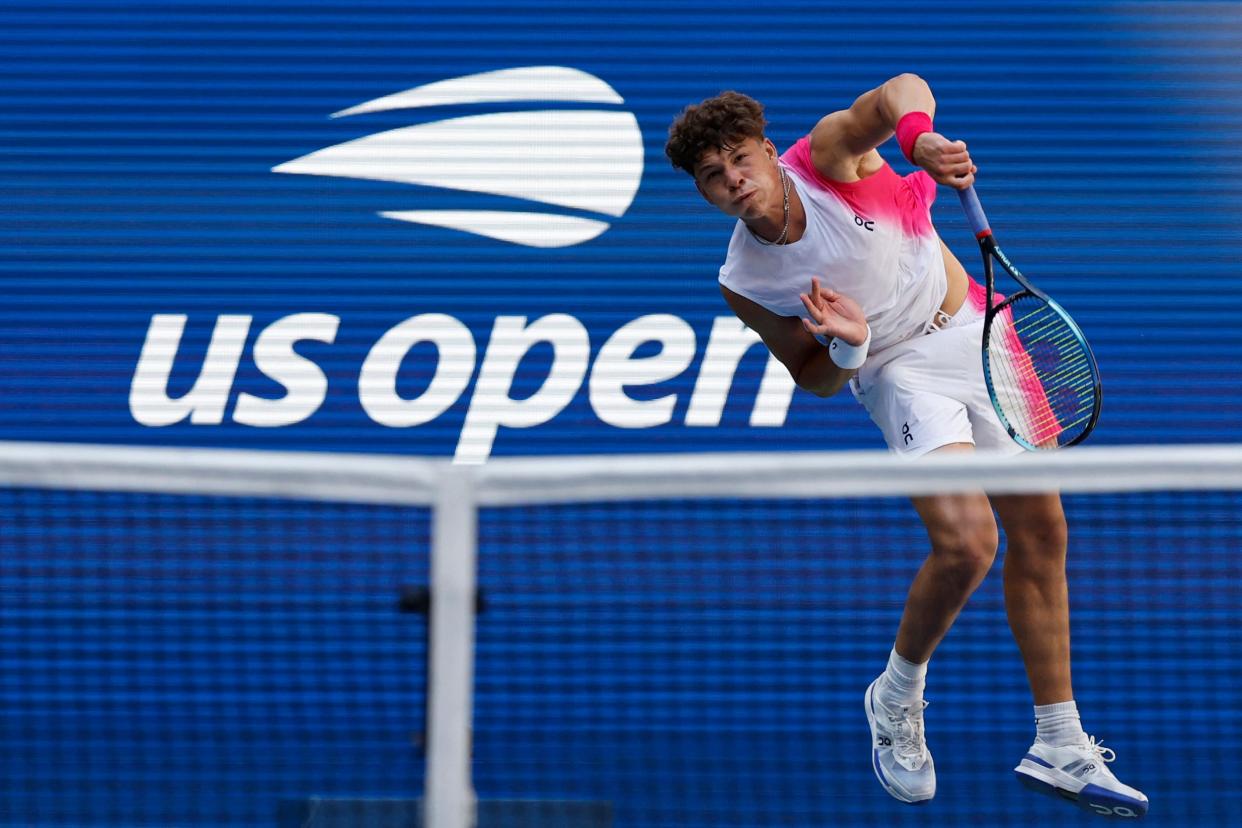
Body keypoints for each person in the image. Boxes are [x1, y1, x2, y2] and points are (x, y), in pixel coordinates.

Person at [664, 74, 1148, 818]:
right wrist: (852, 349)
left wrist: (917, 137)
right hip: (893, 369)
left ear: (767, 151)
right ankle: (895, 696)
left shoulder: (826, 157)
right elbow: (814, 377)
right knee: (966, 544)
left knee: (1043, 531)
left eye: (739, 159)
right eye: (711, 176)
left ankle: (1060, 741)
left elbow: (897, 91)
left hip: (976, 330)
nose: (732, 179)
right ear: (703, 194)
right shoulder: (743, 278)